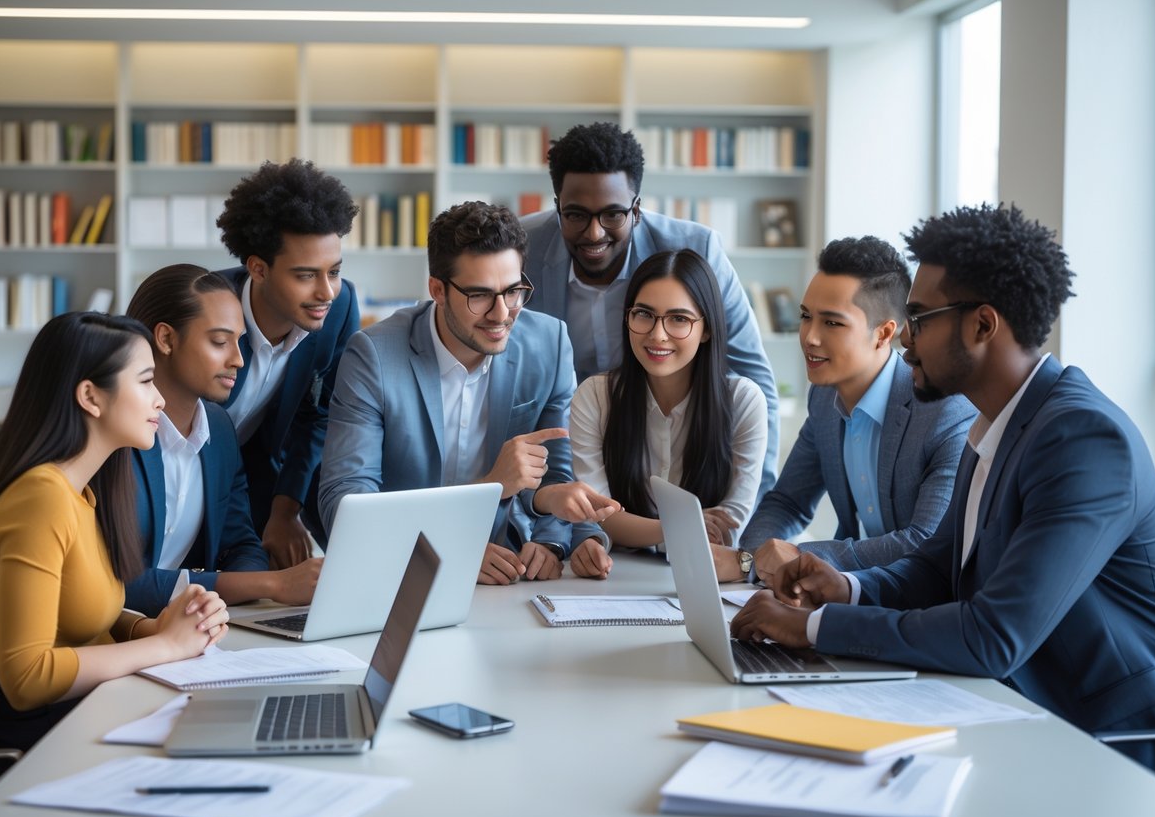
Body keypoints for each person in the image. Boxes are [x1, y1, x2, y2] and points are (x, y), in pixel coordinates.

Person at [731, 204, 1155, 783]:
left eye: (918, 318)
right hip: (1014, 703)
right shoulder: (996, 421)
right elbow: (939, 567)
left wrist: (814, 628)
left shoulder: (1083, 439)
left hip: (1105, 740)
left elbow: (993, 635)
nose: (906, 340)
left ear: (983, 325)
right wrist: (844, 589)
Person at [0, 313, 228, 800]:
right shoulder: (40, 498)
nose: (160, 399)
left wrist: (155, 626)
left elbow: (79, 612)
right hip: (11, 744)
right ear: (90, 397)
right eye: (147, 381)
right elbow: (26, 677)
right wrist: (167, 647)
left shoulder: (83, 493)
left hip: (55, 721)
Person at [319, 201, 620, 585]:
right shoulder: (373, 356)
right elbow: (344, 505)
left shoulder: (549, 343)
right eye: (479, 295)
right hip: (399, 575)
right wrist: (457, 538)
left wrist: (552, 542)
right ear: (437, 290)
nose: (501, 314)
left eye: (513, 291)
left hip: (506, 572)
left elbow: (555, 473)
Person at [521, 121, 780, 496]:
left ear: (637, 209)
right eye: (576, 214)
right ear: (557, 205)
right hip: (564, 450)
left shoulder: (696, 249)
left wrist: (755, 500)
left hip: (669, 456)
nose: (594, 233)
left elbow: (752, 374)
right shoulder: (522, 250)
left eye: (612, 214)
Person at [734, 237, 975, 581]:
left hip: (918, 604)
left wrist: (797, 557)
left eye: (832, 323)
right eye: (805, 316)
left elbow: (923, 541)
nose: (810, 337)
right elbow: (788, 502)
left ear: (884, 334)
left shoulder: (944, 410)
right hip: (845, 593)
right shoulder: (823, 400)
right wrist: (749, 560)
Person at [122, 264, 323, 616]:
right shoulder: (116, 435)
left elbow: (242, 544)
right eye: (219, 341)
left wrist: (240, 587)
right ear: (166, 339)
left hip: (187, 627)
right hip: (110, 637)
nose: (239, 359)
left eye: (239, 340)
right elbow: (116, 582)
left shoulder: (218, 430)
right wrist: (271, 584)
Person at [569, 249, 766, 580]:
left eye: (679, 319)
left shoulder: (743, 401)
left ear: (706, 329)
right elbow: (599, 514)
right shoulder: (595, 396)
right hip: (616, 576)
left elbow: (729, 523)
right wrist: (680, 525)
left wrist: (638, 528)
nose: (657, 334)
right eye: (644, 314)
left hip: (707, 577)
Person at [215, 158, 361, 568]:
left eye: (334, 271)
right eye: (305, 275)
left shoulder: (341, 305)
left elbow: (318, 416)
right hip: (193, 469)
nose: (326, 291)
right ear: (258, 269)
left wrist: (286, 511)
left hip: (264, 467)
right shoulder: (205, 310)